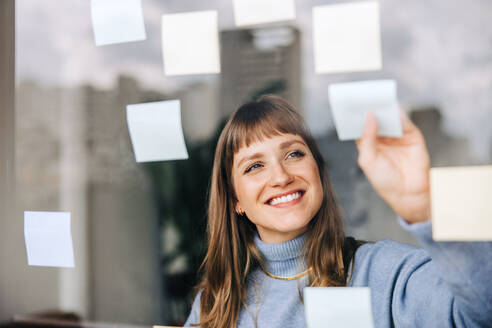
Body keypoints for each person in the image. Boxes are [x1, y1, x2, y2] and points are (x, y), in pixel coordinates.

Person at [184, 95, 492, 328]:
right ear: (236, 199)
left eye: (294, 153)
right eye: (254, 166)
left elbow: (481, 313)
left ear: (318, 169)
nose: (280, 177)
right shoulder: (214, 302)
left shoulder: (381, 273)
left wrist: (424, 209)